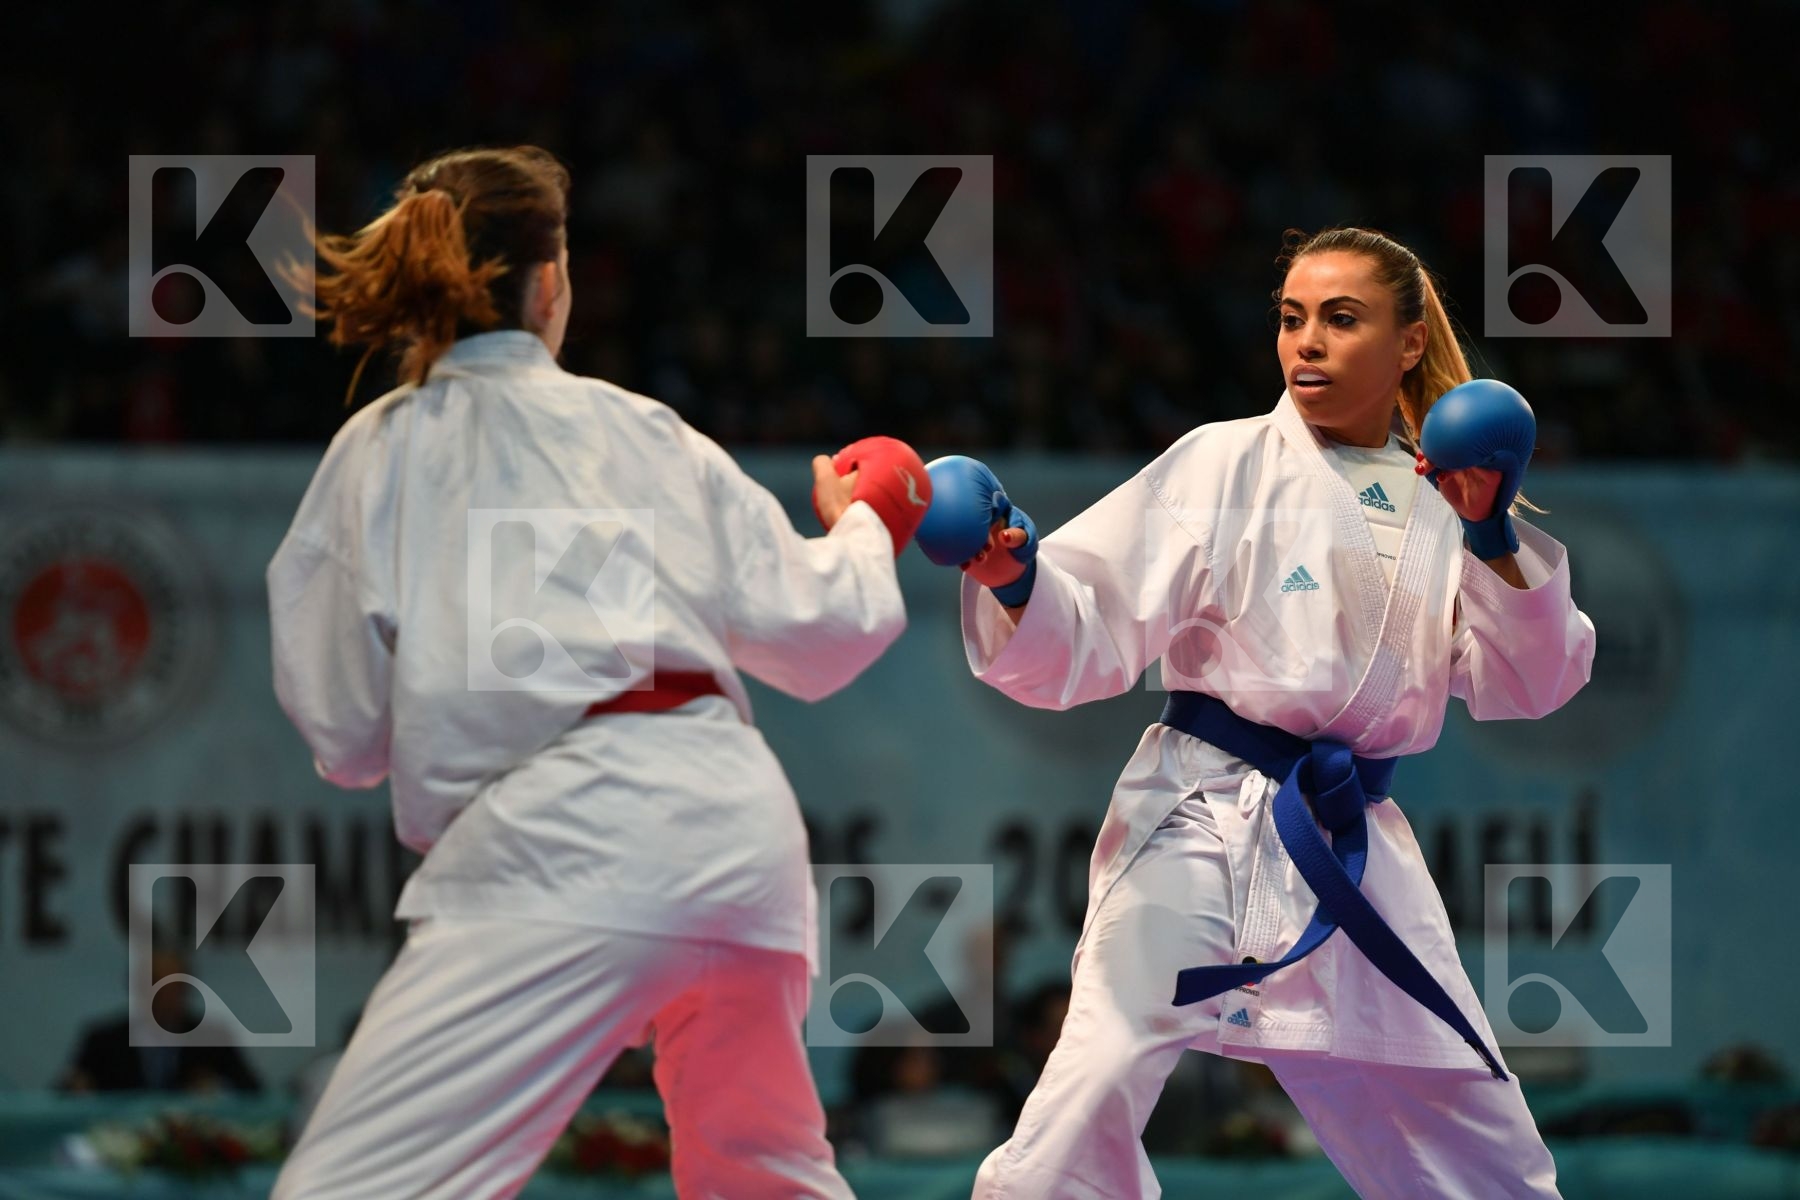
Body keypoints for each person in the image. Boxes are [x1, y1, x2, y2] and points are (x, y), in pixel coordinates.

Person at [266, 145, 925, 1198]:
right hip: (738, 838)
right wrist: (867, 525)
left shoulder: (382, 447)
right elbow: (826, 630)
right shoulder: (646, 431)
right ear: (549, 285)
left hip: (555, 848)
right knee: (767, 1175)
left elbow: (344, 738)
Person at [917, 226, 1596, 1198]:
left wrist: (1489, 534)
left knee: (1466, 1124)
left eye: (1340, 319)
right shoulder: (1224, 465)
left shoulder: (1447, 498)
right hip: (1202, 814)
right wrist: (1018, 580)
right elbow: (1094, 615)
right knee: (1100, 1070)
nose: (1305, 342)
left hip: (1353, 845)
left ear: (1409, 342)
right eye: (1291, 318)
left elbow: (1529, 683)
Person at [58, 949, 261, 1095]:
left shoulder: (212, 1039)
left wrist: (220, 1088)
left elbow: (253, 1091)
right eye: (157, 984)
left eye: (176, 986)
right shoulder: (104, 1040)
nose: (167, 995)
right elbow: (64, 1091)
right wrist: (78, 1087)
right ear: (138, 988)